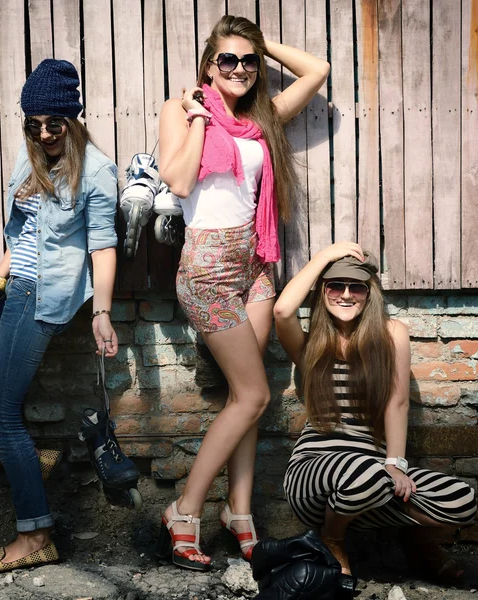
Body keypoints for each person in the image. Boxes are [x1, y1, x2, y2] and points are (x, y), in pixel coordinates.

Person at [156, 15, 330, 571]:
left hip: (254, 262)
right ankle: (183, 510)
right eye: (226, 59)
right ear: (209, 65)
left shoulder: (262, 120)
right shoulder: (181, 111)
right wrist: (202, 119)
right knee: (254, 395)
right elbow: (179, 182)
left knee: (245, 399)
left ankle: (240, 513)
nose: (238, 68)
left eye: (248, 61)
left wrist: (259, 43)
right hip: (206, 266)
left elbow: (317, 70)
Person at [0, 59, 119, 572]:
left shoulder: (97, 171)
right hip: (18, 288)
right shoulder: (30, 152)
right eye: (32, 123)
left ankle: (35, 536)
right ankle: (30, 465)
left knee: (0, 415)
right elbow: (22, 229)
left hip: (44, 298)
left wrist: (102, 312)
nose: (42, 133)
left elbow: (103, 247)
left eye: (53, 124)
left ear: (74, 120)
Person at [273, 243, 477, 578]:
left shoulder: (391, 334)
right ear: (323, 291)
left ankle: (417, 545)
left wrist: (395, 464)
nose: (346, 295)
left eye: (357, 287)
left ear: (370, 293)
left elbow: (398, 401)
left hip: (373, 480)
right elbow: (282, 311)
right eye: (335, 286)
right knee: (364, 475)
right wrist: (325, 256)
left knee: (462, 500)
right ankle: (332, 538)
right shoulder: (310, 345)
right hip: (314, 477)